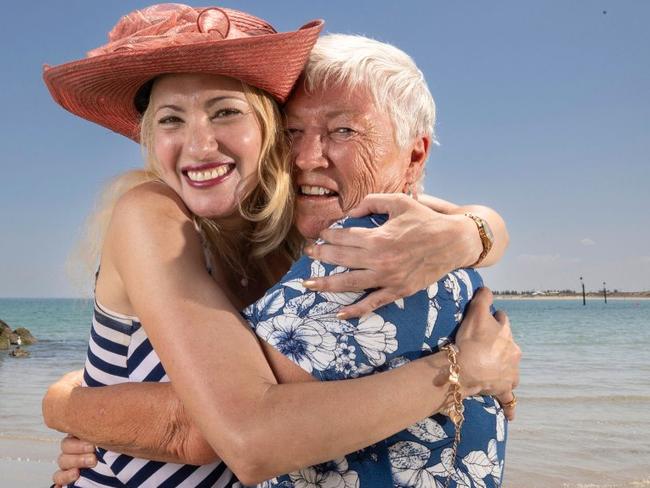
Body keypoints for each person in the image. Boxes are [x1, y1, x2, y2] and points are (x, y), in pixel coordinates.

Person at [42, 4, 519, 488]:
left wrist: (473, 233)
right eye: (170, 120)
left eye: (225, 111)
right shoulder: (153, 213)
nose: (200, 145)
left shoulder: (310, 231)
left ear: (265, 127)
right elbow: (222, 430)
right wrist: (63, 405)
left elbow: (458, 220)